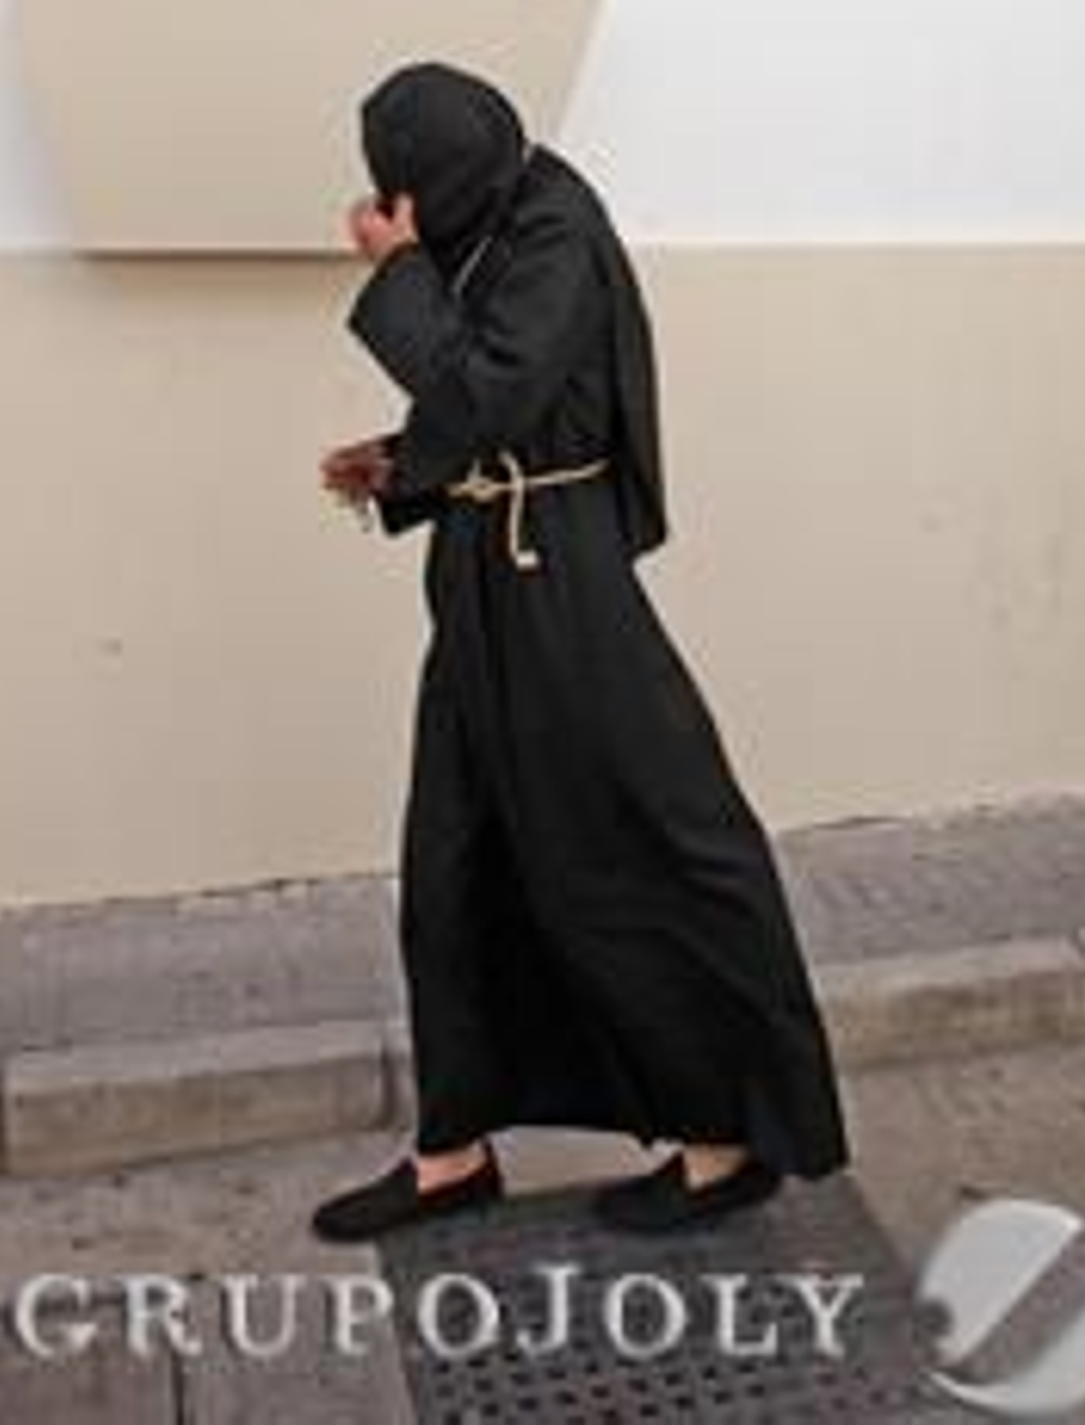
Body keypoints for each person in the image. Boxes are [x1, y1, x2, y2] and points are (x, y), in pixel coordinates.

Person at [311, 60, 852, 1242]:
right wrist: (402, 464)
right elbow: (477, 398)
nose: (399, 213)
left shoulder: (555, 226)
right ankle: (451, 1150)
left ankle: (726, 1143)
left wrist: (396, 279)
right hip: (480, 567)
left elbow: (499, 385)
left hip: (559, 573)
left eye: (406, 194)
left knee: (645, 838)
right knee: (451, 858)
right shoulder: (487, 221)